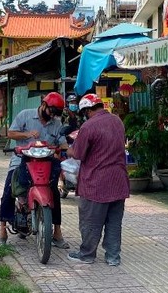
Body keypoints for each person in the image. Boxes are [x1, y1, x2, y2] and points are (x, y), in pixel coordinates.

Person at [0, 92, 69, 248]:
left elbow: (62, 144)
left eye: (55, 114)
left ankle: (57, 231)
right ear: (43, 105)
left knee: (54, 193)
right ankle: (2, 229)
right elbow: (10, 133)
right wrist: (27, 134)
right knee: (9, 188)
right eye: (51, 111)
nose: (52, 116)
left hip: (45, 162)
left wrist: (65, 149)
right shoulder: (25, 115)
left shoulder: (56, 124)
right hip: (21, 159)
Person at [66, 93, 130, 266]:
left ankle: (87, 254)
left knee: (91, 221)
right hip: (118, 181)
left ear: (87, 110)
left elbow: (78, 153)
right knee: (114, 222)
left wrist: (68, 150)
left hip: (96, 182)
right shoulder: (117, 121)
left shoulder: (88, 126)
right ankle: (113, 257)